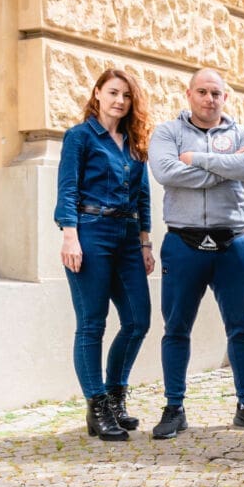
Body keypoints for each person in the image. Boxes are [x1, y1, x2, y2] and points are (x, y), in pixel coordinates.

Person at [148, 69, 244, 439]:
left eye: (216, 93)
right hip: (183, 244)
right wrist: (227, 168)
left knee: (242, 329)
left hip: (233, 244)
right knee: (176, 328)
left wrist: (197, 159)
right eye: (202, 91)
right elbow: (166, 172)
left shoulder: (242, 133)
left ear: (225, 97)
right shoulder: (167, 133)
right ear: (189, 94)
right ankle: (174, 407)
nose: (209, 99)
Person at [54, 68, 155, 441]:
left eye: (126, 95)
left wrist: (145, 242)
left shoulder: (134, 142)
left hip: (128, 237)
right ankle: (96, 406)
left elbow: (143, 196)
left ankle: (115, 395)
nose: (120, 101)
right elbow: (67, 188)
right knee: (92, 323)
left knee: (138, 320)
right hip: (90, 232)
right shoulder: (79, 137)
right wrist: (70, 236)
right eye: (113, 92)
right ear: (97, 93)